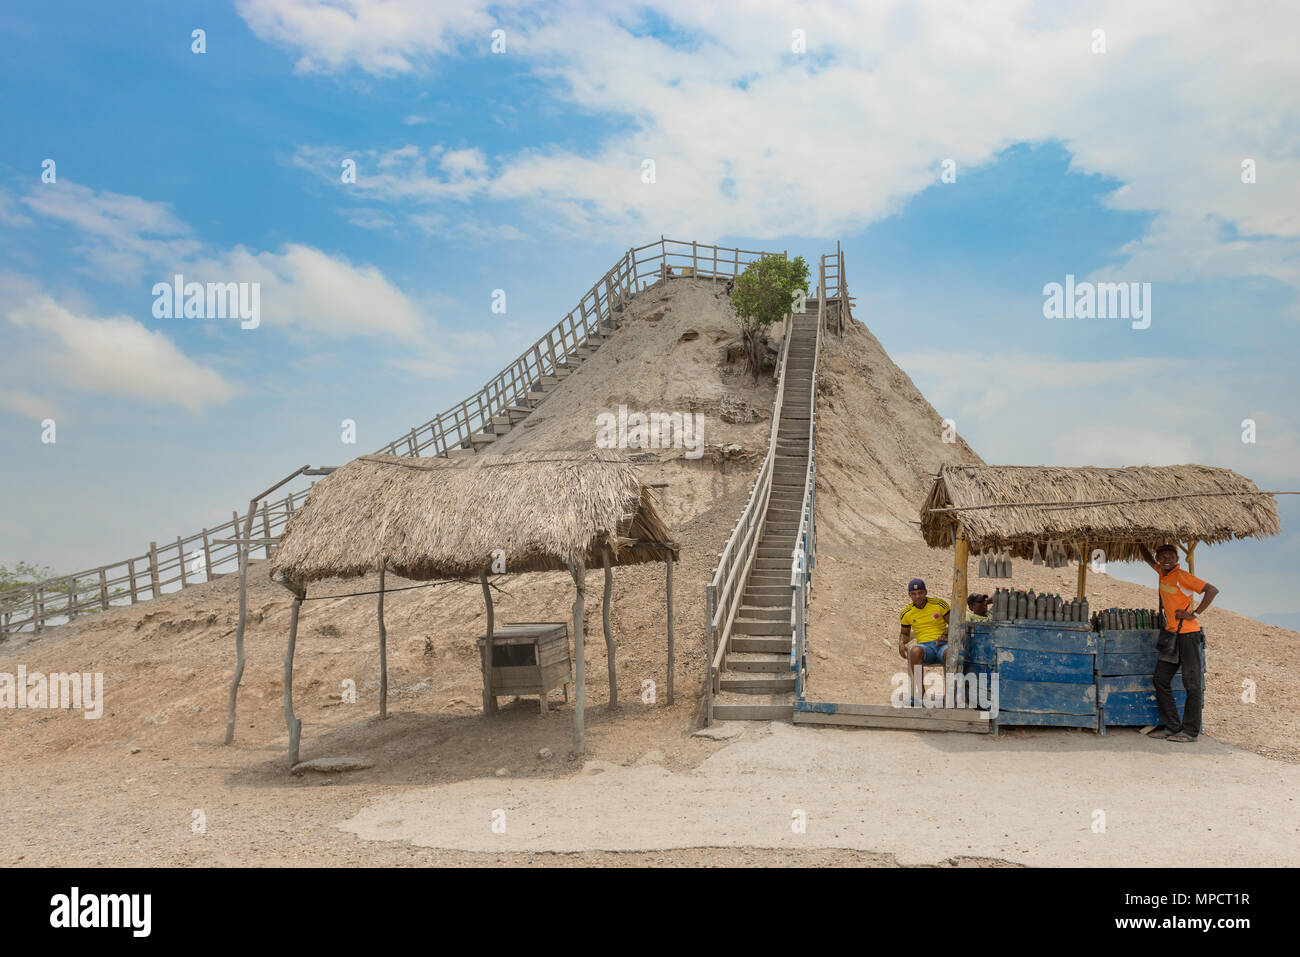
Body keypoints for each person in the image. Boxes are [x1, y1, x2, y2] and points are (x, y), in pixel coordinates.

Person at [1138, 543, 1219, 743]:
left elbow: (1211, 590)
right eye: (1162, 556)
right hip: (1173, 636)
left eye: (1170, 556)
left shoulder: (1183, 577)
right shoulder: (1162, 572)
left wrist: (1194, 613)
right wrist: (1140, 541)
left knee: (1192, 684)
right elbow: (1148, 559)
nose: (1166, 560)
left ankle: (1190, 731)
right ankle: (1172, 726)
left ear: (1177, 559)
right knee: (1161, 679)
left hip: (1188, 636)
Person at [898, 578, 950, 705]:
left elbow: (954, 625)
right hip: (926, 648)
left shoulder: (939, 605)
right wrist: (901, 642)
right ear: (909, 595)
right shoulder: (906, 613)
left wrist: (945, 634)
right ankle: (920, 696)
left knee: (950, 653)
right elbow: (905, 634)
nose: (918, 596)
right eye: (914, 594)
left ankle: (950, 695)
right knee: (915, 651)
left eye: (920, 592)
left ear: (926, 592)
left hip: (943, 645)